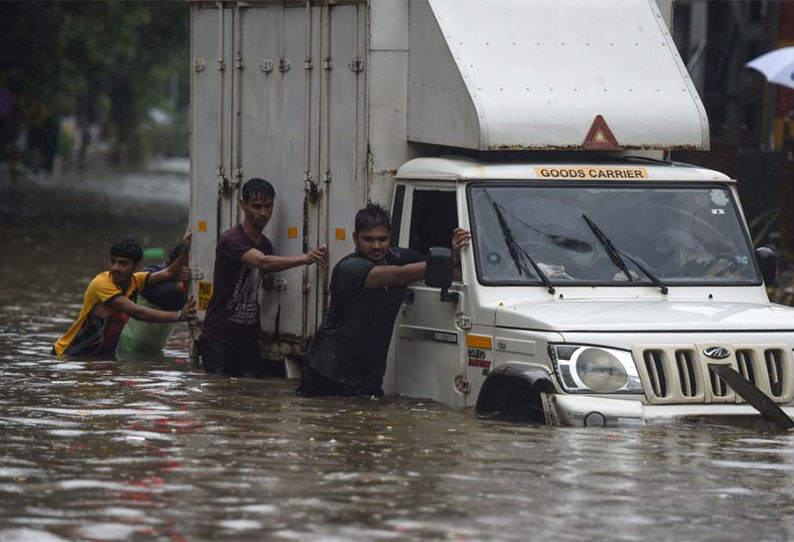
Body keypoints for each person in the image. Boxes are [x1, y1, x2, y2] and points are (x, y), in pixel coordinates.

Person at [298, 203, 470, 397]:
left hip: (368, 376)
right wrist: (449, 256)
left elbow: (445, 270)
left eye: (383, 239)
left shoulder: (399, 256)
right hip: (329, 373)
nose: (376, 246)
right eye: (368, 239)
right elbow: (398, 275)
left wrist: (457, 258)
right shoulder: (349, 268)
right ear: (355, 238)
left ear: (391, 237)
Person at [198, 177, 328, 378]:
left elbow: (265, 270)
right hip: (219, 337)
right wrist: (305, 258)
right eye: (256, 206)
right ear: (242, 205)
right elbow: (262, 262)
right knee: (219, 395)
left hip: (248, 337)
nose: (263, 213)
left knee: (251, 395)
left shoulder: (265, 244)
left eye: (268, 207)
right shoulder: (232, 239)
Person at [53, 232, 197, 358]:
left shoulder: (136, 281)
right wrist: (179, 316)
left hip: (101, 358)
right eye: (113, 261)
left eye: (123, 263)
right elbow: (137, 312)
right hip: (69, 356)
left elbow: (170, 272)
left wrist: (186, 248)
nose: (115, 268)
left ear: (136, 266)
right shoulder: (102, 284)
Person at [116, 242, 190, 355]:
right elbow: (158, 294)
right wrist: (179, 287)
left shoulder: (191, 284)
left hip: (154, 351)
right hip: (125, 347)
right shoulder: (152, 272)